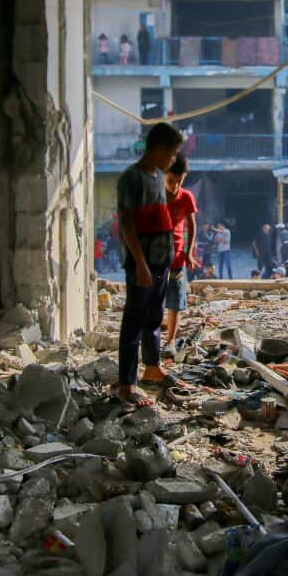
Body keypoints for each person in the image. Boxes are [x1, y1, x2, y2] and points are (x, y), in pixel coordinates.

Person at [116, 123, 185, 410]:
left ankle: (152, 367)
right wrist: (140, 264)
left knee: (154, 316)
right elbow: (126, 224)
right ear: (158, 149)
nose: (173, 159)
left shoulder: (157, 176)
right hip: (142, 262)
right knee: (134, 320)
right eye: (172, 153)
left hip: (161, 260)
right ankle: (126, 383)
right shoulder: (131, 178)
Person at [163, 153, 199, 349]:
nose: (175, 185)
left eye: (179, 181)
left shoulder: (186, 197)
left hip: (176, 259)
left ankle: (170, 341)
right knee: (153, 301)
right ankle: (152, 338)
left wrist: (189, 252)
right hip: (155, 260)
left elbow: (192, 225)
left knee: (175, 302)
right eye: (170, 181)